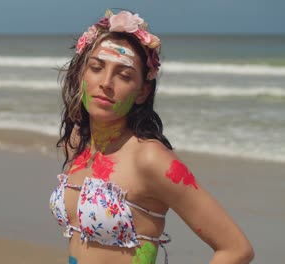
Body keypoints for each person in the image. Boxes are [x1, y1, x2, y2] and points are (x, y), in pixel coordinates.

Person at [49, 9, 254, 264]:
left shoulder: (149, 158)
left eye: (124, 75)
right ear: (81, 75)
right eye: (96, 68)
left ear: (142, 92)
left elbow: (236, 249)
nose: (106, 83)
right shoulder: (78, 145)